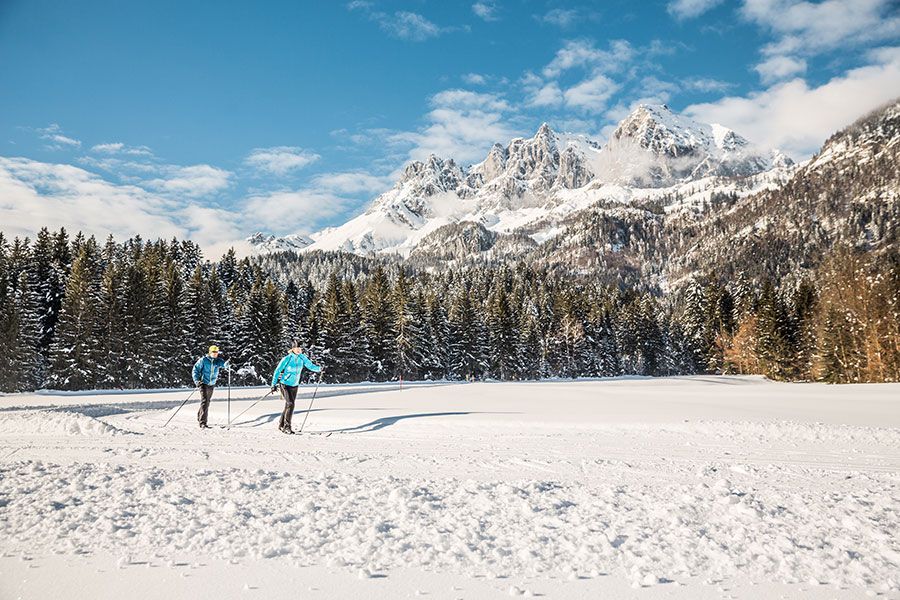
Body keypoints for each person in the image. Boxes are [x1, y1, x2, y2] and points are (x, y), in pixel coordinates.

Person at [271, 340, 322, 434]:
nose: (299, 350)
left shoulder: (302, 358)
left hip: (294, 385)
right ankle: (287, 427)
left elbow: (310, 366)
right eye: (297, 348)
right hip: (285, 384)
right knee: (290, 404)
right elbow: (277, 371)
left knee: (288, 404)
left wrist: (320, 369)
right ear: (292, 349)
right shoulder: (287, 358)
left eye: (300, 348)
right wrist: (273, 385)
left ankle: (281, 424)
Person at [191, 345, 229, 429]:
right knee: (205, 401)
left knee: (206, 401)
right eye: (214, 352)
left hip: (212, 383)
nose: (215, 354)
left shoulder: (218, 360)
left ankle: (200, 416)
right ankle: (203, 422)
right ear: (210, 352)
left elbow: (223, 364)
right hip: (203, 383)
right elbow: (195, 370)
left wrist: (227, 364)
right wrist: (197, 381)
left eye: (216, 352)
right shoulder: (203, 360)